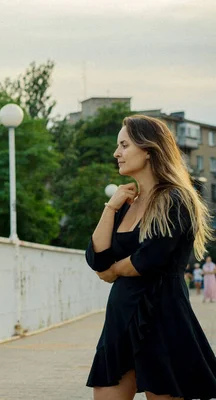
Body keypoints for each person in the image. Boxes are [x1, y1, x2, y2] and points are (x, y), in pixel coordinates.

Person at [85, 114, 216, 399]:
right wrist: (110, 207)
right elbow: (97, 259)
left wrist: (114, 271)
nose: (116, 153)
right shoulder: (126, 200)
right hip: (121, 318)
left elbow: (148, 259)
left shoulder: (175, 198)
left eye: (124, 145)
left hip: (163, 315)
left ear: (148, 149)